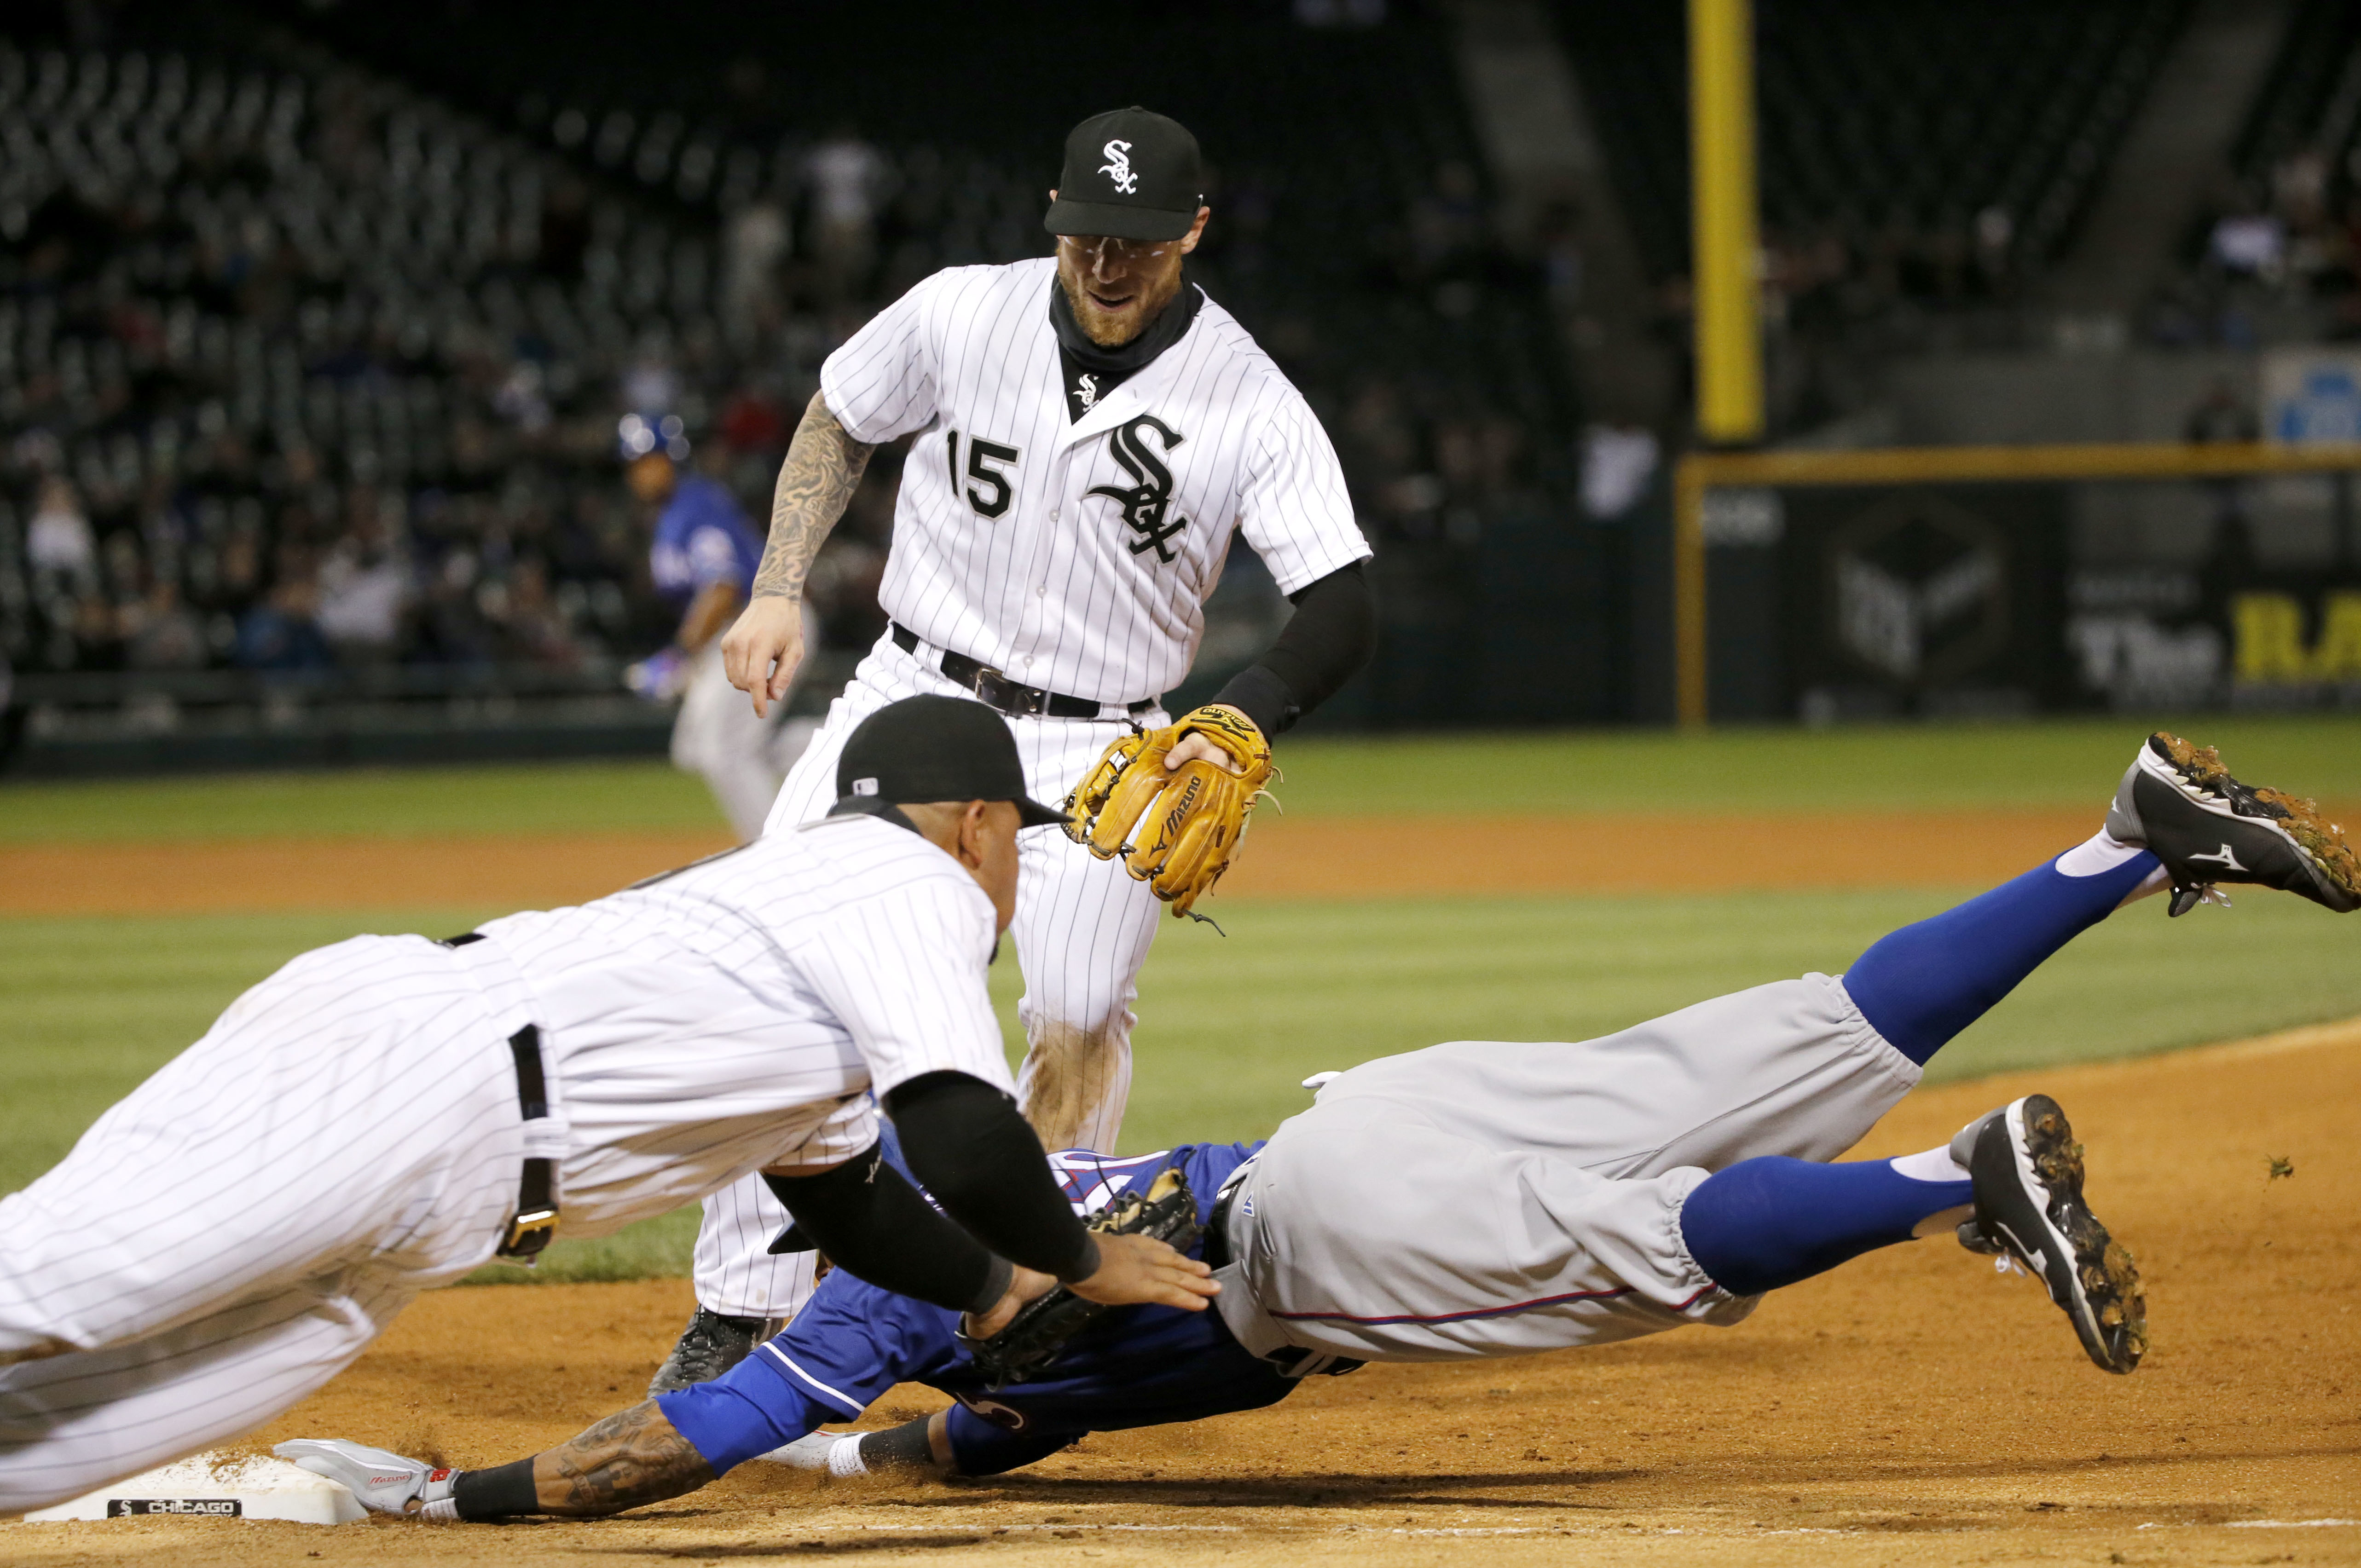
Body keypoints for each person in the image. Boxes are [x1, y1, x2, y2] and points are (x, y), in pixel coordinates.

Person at [282, 732, 2357, 1517]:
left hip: (1330, 1247)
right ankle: (2112, 844)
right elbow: (965, 1440)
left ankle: (1949, 1189)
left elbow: (698, 1442)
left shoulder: (877, 1293)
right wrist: (932, 1441)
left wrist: (453, 1503)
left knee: (1643, 1258)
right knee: (1793, 1031)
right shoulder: (935, 1194)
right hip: (1361, 1118)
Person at [0, 697, 1220, 1516]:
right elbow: (959, 1122)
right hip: (408, 1079)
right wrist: (1079, 1255)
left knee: (86, 1427)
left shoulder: (810, 949)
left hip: (439, 1188)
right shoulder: (899, 879)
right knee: (56, 1288)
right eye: (1021, 843)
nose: (1015, 875)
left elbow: (848, 1199)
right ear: (979, 824)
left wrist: (999, 1292)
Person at [670, 105, 1377, 1388]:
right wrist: (781, 581)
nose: (1109, 263)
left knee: (1079, 1012)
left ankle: (1022, 1292)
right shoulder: (958, 310)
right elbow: (837, 416)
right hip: (909, 692)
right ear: (1054, 220)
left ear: (1194, 235)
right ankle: (744, 1303)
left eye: (1141, 243)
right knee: (780, 970)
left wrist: (1238, 720)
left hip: (1108, 743)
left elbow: (1343, 601)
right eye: (1087, 235)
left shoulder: (1245, 397)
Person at [622, 443, 820, 842]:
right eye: (634, 463)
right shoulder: (676, 513)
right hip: (742, 632)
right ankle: (843, 738)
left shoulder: (694, 507)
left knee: (724, 751)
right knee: (695, 747)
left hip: (767, 622)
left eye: (651, 460)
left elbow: (723, 586)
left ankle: (777, 854)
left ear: (672, 459)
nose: (642, 473)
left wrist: (680, 655)